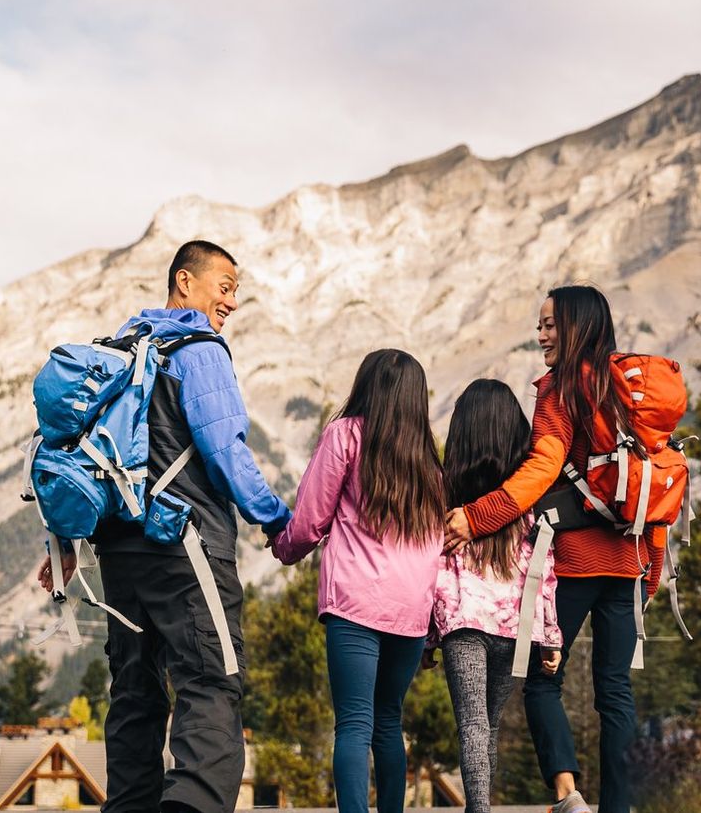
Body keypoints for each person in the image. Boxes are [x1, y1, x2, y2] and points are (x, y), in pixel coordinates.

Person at [38, 240, 291, 813]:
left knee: (135, 695)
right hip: (186, 545)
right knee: (211, 684)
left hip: (120, 555)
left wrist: (65, 546)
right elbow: (225, 450)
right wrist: (278, 521)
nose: (231, 301)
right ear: (185, 281)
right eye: (224, 286)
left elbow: (81, 455)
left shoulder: (124, 348)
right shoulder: (201, 350)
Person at [442, 285, 662, 813]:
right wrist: (649, 572)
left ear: (577, 326)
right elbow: (658, 485)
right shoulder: (632, 391)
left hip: (577, 559)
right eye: (540, 325)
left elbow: (541, 469)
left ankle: (567, 796)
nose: (541, 335)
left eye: (550, 325)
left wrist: (477, 516)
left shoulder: (561, 390)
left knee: (544, 679)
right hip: (629, 561)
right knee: (615, 693)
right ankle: (619, 805)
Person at [271, 349, 447, 813]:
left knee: (353, 723)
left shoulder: (346, 435)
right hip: (410, 613)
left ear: (367, 386)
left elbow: (310, 519)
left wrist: (284, 548)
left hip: (356, 604)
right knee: (389, 721)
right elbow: (435, 548)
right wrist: (429, 622)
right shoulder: (428, 461)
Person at [428, 379, 564, 813]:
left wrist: (429, 637)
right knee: (489, 723)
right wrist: (551, 636)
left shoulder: (445, 499)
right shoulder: (525, 501)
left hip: (463, 627)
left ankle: (479, 809)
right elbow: (544, 571)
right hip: (513, 630)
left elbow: (435, 573)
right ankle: (479, 808)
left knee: (472, 724)